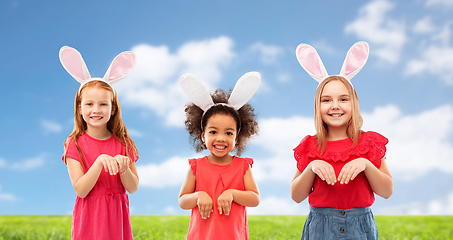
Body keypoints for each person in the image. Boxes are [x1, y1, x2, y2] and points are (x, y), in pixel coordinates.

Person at [290, 42, 393, 240]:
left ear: (354, 104)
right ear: (317, 106)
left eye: (343, 99)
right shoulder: (311, 146)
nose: (335, 106)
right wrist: (312, 166)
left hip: (360, 226)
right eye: (326, 100)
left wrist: (366, 164)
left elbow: (387, 191)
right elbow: (296, 195)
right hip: (320, 226)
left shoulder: (368, 142)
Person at [60, 46, 139, 240]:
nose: (96, 109)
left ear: (112, 109)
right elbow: (80, 189)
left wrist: (123, 169)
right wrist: (100, 161)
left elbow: (133, 187)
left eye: (103, 104)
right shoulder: (74, 144)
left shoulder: (124, 142)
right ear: (80, 108)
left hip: (117, 217)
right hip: (90, 219)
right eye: (89, 104)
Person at [178, 72, 261, 240]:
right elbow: (183, 201)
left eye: (229, 133)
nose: (221, 138)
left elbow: (254, 198)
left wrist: (233, 193)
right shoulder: (196, 167)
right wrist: (198, 195)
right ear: (203, 136)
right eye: (213, 131)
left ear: (236, 138)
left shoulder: (243, 167)